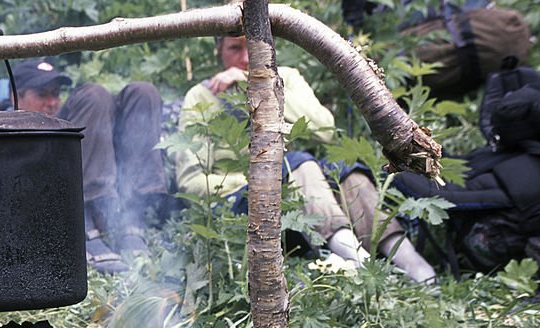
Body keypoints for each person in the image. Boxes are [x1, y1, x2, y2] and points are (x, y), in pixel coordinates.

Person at [176, 34, 437, 283]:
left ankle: (411, 264)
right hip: (248, 211)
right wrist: (259, 179)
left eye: (253, 47)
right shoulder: (201, 96)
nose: (245, 58)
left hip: (307, 201)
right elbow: (190, 181)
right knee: (299, 163)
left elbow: (325, 129)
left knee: (347, 173)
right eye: (235, 48)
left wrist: (256, 86)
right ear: (219, 50)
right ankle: (360, 263)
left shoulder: (286, 78)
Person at [11, 59, 170, 274]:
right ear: (15, 97)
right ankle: (85, 229)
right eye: (42, 94)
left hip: (114, 186)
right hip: (60, 191)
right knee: (94, 96)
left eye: (56, 94)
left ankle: (132, 221)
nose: (52, 102)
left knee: (143, 93)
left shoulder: (60, 115)